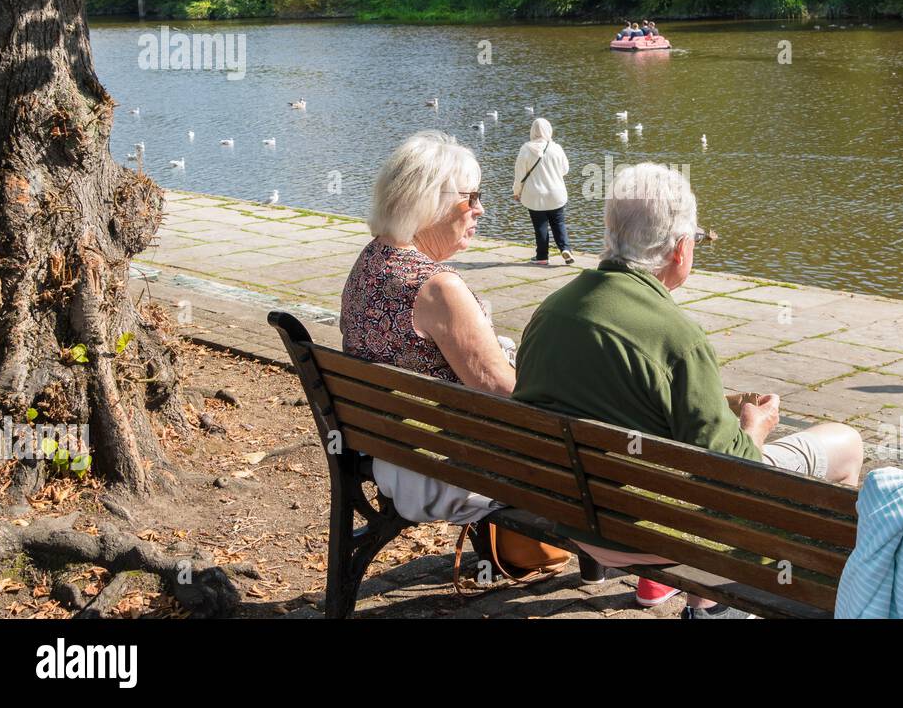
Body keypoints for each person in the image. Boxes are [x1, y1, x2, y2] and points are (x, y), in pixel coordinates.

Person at [514, 162, 863, 617]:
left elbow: (617, 400)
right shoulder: (678, 337)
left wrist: (712, 403)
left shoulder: (551, 311)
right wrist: (754, 427)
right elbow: (736, 472)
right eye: (694, 240)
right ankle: (780, 595)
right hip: (654, 534)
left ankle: (706, 599)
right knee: (846, 444)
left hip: (569, 514)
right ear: (680, 249)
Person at [340, 130, 516, 522]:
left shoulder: (372, 260)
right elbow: (502, 389)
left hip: (390, 451)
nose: (480, 209)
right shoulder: (437, 287)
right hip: (439, 469)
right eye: (470, 197)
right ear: (428, 204)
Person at [513, 118, 573, 267]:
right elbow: (565, 170)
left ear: (532, 131)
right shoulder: (556, 148)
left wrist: (517, 191)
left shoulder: (526, 149)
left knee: (540, 225)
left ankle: (542, 256)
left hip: (534, 194)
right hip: (556, 193)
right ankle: (565, 249)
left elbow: (520, 174)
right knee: (558, 223)